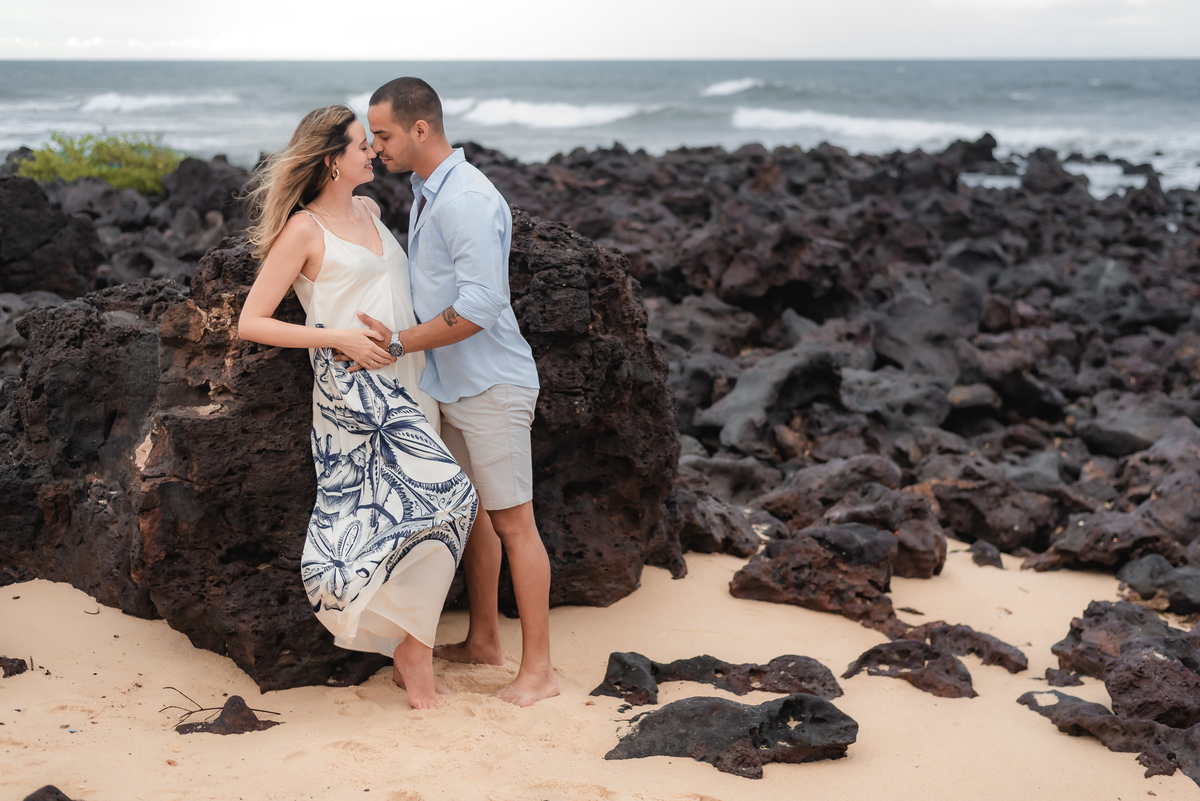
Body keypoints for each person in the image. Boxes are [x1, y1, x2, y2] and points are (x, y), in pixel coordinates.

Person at [237, 105, 478, 710]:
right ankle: (412, 657)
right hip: (353, 390)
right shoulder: (303, 230)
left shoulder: (371, 210)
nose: (372, 150)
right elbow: (251, 321)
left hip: (409, 374)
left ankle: (406, 647)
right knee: (449, 497)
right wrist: (337, 338)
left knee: (411, 516)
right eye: (358, 145)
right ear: (330, 160)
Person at [359, 77, 560, 706]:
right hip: (451, 381)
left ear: (421, 130)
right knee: (471, 518)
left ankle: (540, 672)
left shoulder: (465, 198)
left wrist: (396, 343)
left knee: (515, 523)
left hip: (491, 383)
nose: (376, 146)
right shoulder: (427, 191)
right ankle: (483, 641)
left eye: (385, 135)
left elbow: (479, 303)